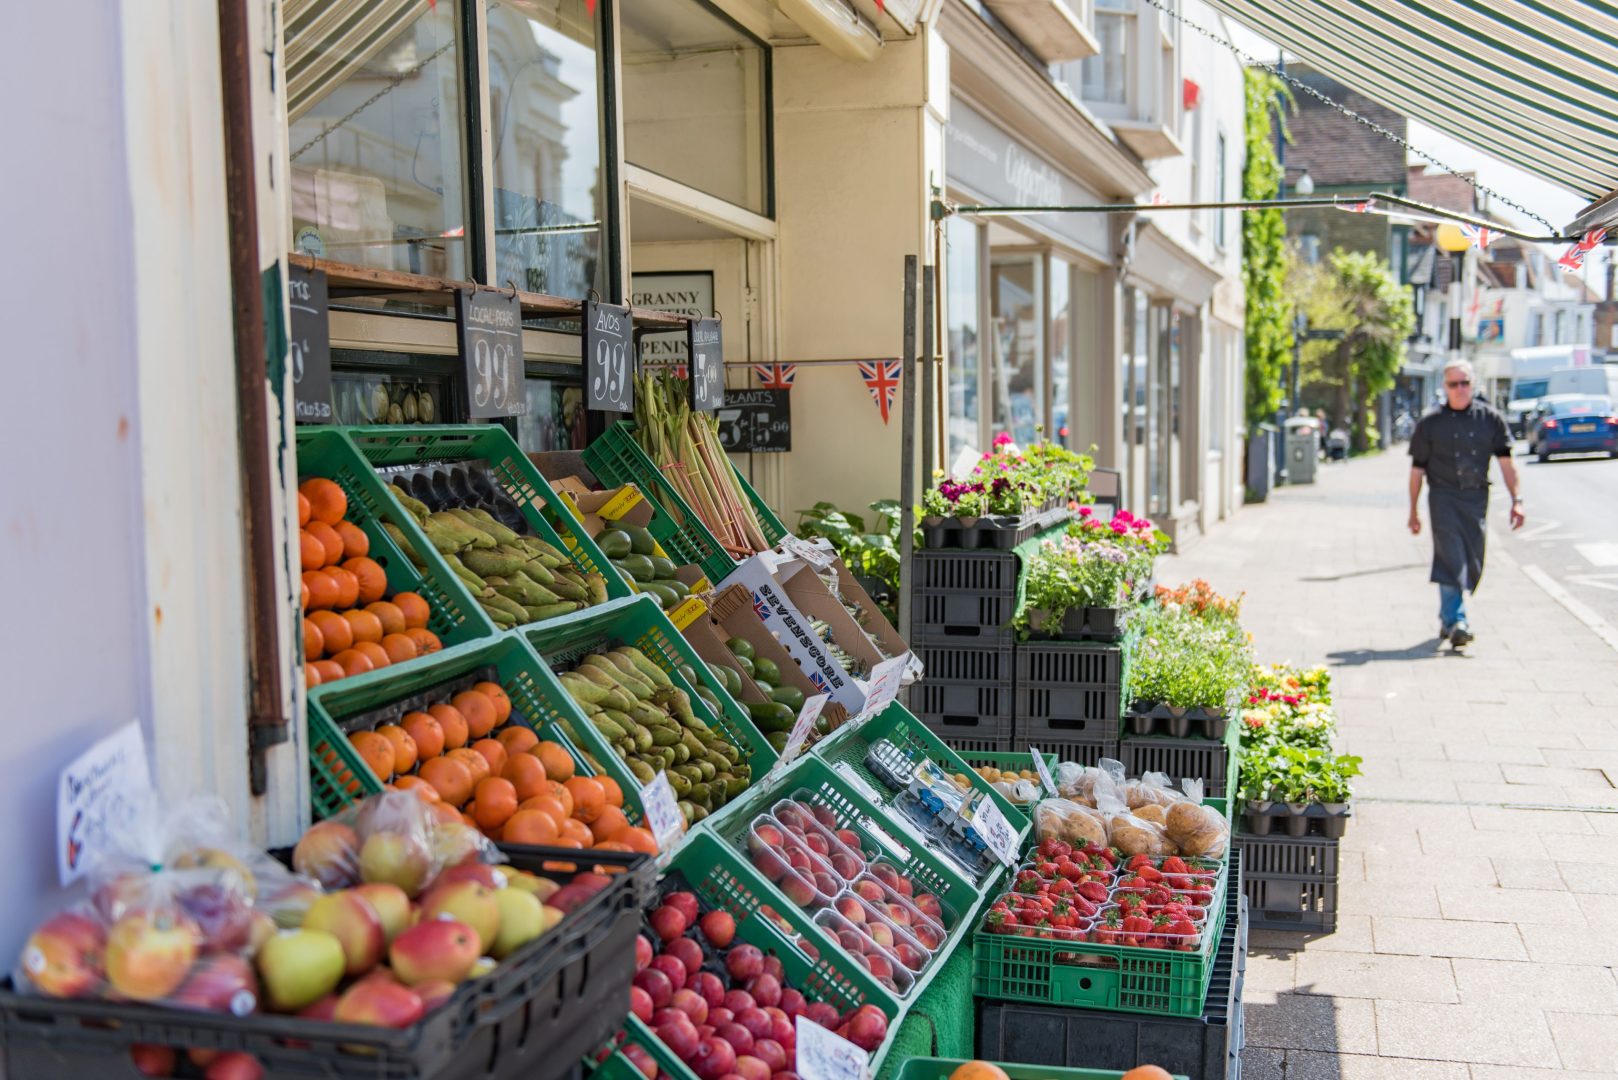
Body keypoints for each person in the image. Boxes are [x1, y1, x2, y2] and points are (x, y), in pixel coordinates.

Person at [1407, 358, 1524, 646]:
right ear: (1444, 387)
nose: (1459, 389)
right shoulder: (1430, 424)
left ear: (1473, 385)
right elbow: (1417, 471)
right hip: (1443, 498)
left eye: (1465, 383)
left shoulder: (1490, 419)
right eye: (1453, 384)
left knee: (1471, 559)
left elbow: (1507, 463)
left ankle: (1448, 618)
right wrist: (1413, 510)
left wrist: (1517, 500)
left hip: (1475, 498)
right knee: (1451, 557)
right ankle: (1458, 620)